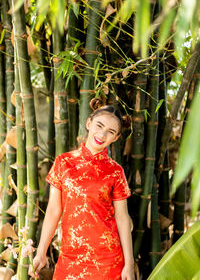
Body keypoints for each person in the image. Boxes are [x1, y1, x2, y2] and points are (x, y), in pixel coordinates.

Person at [29, 99, 135, 280]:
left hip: (108, 259)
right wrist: (41, 252)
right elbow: (54, 210)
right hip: (70, 257)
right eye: (99, 125)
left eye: (110, 132)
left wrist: (129, 264)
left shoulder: (115, 171)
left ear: (116, 138)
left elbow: (122, 217)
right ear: (88, 123)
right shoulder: (64, 162)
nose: (102, 134)